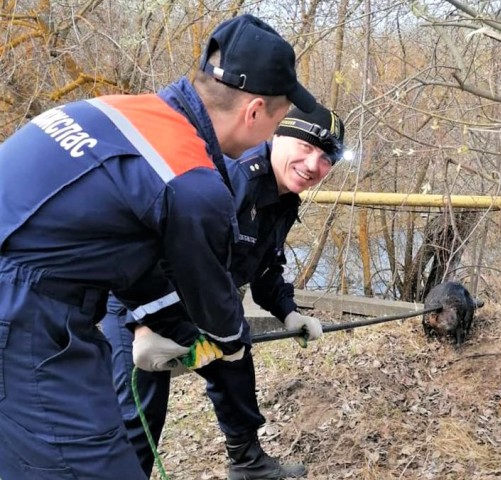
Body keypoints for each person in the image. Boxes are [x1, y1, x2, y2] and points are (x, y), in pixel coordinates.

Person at [0, 13, 315, 480]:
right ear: (254, 112)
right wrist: (224, 344)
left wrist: (163, 324)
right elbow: (213, 302)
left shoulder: (116, 110)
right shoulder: (193, 181)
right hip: (24, 312)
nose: (272, 134)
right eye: (278, 119)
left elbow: (115, 242)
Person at [102, 104, 346, 479]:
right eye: (306, 146)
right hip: (143, 299)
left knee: (236, 373)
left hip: (205, 301)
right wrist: (142, 325)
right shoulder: (232, 178)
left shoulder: (283, 199)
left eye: (326, 157)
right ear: (278, 135)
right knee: (140, 418)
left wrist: (289, 312)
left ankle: (248, 463)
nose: (314, 164)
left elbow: (265, 268)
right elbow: (149, 247)